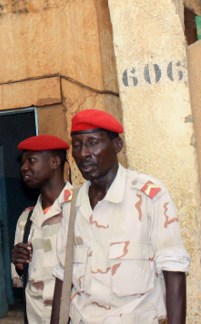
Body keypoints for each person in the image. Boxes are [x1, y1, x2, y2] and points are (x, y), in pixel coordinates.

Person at [50, 109, 190, 324]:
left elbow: (174, 269)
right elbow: (63, 276)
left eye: (93, 142)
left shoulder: (148, 196)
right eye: (77, 146)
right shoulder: (71, 203)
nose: (84, 153)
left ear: (117, 145)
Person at [11, 134, 74, 324]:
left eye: (31, 160)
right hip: (36, 315)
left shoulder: (81, 207)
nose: (24, 168)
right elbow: (20, 280)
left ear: (55, 161)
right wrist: (21, 266)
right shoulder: (26, 219)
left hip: (74, 314)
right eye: (22, 163)